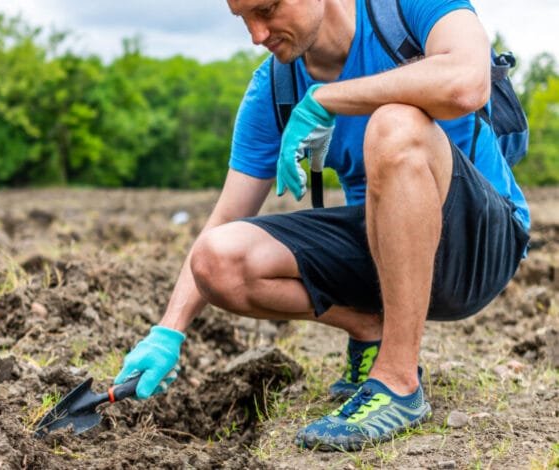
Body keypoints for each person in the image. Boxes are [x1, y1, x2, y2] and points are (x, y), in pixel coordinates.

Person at [114, 0, 530, 451]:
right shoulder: (275, 85)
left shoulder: (404, 10)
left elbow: (467, 83)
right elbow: (227, 216)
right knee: (218, 258)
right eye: (243, 19)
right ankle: (368, 328)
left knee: (396, 122)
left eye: (267, 9)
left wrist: (328, 98)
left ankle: (397, 383)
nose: (257, 34)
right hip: (385, 253)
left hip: (479, 245)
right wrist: (167, 331)